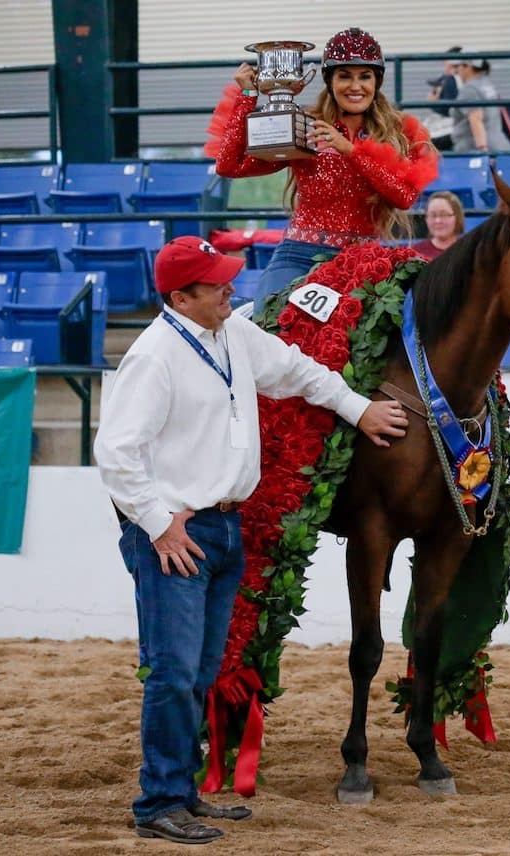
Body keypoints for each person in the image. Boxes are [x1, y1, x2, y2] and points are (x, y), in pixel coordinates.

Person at [95, 236, 410, 845]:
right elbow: (116, 453)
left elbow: (296, 370)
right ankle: (159, 800)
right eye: (215, 284)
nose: (230, 289)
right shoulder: (154, 355)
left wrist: (356, 408)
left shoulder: (232, 334)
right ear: (181, 297)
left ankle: (179, 793)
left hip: (220, 525)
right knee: (173, 671)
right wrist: (159, 524)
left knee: (201, 668)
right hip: (179, 532)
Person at [209, 27, 438, 299]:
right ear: (330, 81)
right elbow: (228, 166)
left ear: (376, 82)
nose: (355, 86)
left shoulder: (398, 134)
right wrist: (247, 96)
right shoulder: (307, 126)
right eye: (344, 76)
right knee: (268, 326)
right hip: (300, 257)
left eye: (365, 76)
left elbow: (404, 197)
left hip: (363, 262)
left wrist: (350, 151)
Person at [450, 57, 510, 153]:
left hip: (473, 149)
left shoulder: (469, 89)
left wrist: (482, 150)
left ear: (468, 67)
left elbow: (476, 119)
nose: (457, 70)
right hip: (498, 144)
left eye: (459, 66)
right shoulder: (486, 84)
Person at [425, 46, 464, 151]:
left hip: (452, 129)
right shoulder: (456, 78)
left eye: (446, 63)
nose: (445, 67)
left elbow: (449, 110)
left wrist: (433, 104)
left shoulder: (452, 80)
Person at [410, 191, 465, 261]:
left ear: (457, 217)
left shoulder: (470, 249)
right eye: (433, 215)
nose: (437, 221)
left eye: (444, 214)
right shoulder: (415, 253)